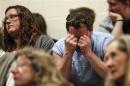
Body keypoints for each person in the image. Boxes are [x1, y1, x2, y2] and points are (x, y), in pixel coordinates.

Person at [52, 7, 113, 86]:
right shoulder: (59, 47)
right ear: (67, 32)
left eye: (81, 37)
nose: (77, 42)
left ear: (91, 30)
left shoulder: (106, 41)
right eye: (73, 36)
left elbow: (111, 77)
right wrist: (68, 54)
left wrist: (88, 53)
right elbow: (60, 82)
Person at [0, 5, 54, 86]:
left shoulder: (43, 41)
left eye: (12, 17)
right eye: (6, 19)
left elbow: (46, 71)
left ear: (24, 18)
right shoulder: (4, 45)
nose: (8, 21)